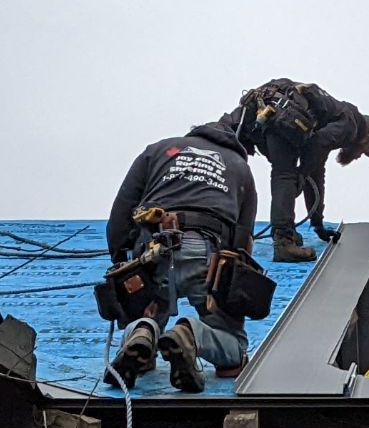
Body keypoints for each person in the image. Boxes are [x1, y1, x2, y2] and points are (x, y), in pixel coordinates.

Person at [103, 113, 259, 394]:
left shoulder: (158, 150)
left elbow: (122, 209)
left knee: (145, 315)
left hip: (152, 249)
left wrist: (121, 261)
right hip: (207, 252)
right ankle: (191, 334)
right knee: (234, 352)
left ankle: (142, 332)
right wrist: (229, 295)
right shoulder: (240, 167)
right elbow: (242, 239)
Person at [233, 79, 369, 263]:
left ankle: (275, 234)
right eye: (364, 151)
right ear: (366, 138)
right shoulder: (352, 125)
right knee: (285, 175)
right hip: (281, 113)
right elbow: (317, 144)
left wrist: (317, 224)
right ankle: (284, 242)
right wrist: (301, 175)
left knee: (283, 172)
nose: (358, 156)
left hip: (259, 110)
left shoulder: (332, 116)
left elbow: (316, 173)